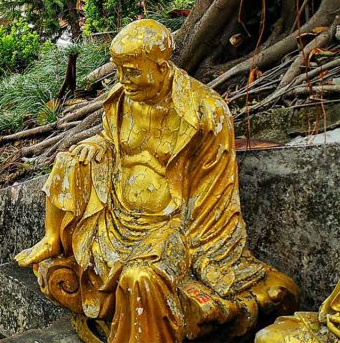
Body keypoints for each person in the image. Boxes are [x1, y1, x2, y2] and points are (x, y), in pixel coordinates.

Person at [16, 19, 296, 343]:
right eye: (119, 70)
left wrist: (199, 254)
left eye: (133, 71)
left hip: (170, 225)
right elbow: (113, 142)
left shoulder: (205, 113)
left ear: (162, 67)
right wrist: (96, 145)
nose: (123, 80)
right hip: (116, 213)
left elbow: (214, 193)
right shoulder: (121, 99)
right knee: (70, 158)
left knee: (141, 279)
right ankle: (54, 238)